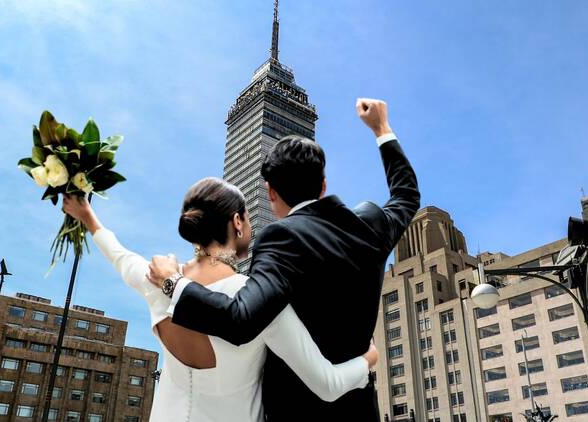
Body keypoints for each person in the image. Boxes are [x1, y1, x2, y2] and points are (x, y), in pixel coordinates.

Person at [148, 98, 420, 421]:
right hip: (359, 410)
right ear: (323, 184)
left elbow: (240, 320)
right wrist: (381, 128)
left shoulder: (280, 240)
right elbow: (406, 195)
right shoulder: (371, 224)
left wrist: (173, 283)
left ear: (271, 193)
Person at [62, 177, 377, 422]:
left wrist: (87, 216)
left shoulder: (158, 279)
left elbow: (119, 256)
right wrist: (367, 361)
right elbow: (327, 384)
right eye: (249, 220)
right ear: (238, 222)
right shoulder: (258, 300)